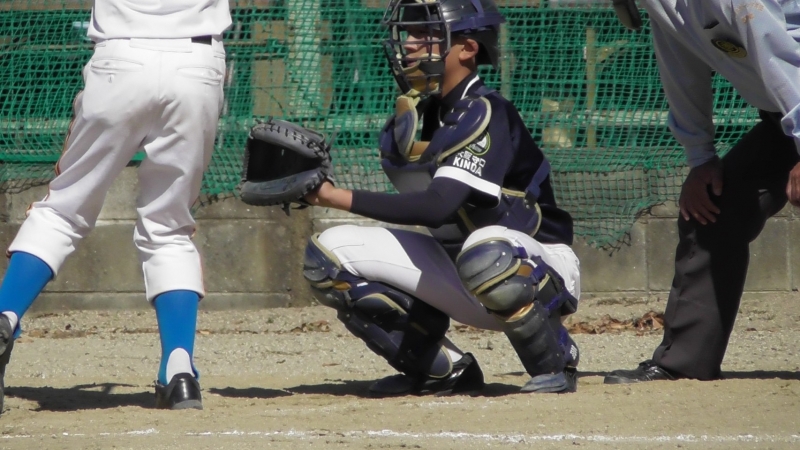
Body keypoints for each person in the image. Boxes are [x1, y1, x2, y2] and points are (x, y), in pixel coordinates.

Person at [301, 0, 582, 396]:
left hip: (533, 269)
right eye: (409, 33)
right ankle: (440, 369)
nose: (409, 44)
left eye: (425, 34)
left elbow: (438, 206)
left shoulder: (487, 111)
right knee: (327, 256)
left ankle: (555, 361)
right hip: (460, 267)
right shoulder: (419, 117)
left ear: (467, 48)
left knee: (485, 250)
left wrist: (331, 196)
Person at [0, 0, 231, 411]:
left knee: (63, 210)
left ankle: (5, 315)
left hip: (120, 59)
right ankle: (179, 371)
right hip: (197, 65)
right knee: (169, 226)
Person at [605, 0, 800, 384]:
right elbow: (682, 70)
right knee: (715, 206)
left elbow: (779, 52)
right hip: (783, 117)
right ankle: (684, 362)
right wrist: (701, 158)